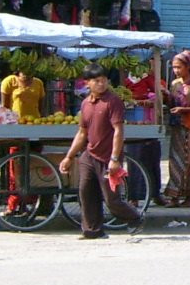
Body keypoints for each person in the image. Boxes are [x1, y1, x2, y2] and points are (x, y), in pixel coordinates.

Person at [58, 64, 144, 239]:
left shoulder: (113, 101)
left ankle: (135, 217)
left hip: (108, 157)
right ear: (87, 83)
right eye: (97, 81)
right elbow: (82, 133)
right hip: (89, 155)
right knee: (86, 193)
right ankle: (92, 230)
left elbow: (119, 131)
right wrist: (69, 156)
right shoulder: (85, 104)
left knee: (112, 200)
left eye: (104, 80)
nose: (101, 84)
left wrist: (114, 158)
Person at [161, 50, 190, 208]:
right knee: (175, 159)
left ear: (188, 67)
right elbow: (172, 104)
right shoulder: (174, 84)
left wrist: (184, 110)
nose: (176, 70)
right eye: (174, 67)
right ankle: (174, 196)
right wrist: (166, 97)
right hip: (177, 127)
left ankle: (189, 197)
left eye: (179, 67)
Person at [0, 69, 46, 215]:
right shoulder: (9, 82)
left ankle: (29, 204)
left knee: (33, 168)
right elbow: (4, 107)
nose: (26, 76)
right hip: (16, 130)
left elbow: (41, 105)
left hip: (34, 127)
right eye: (24, 73)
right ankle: (13, 205)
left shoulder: (38, 83)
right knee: (16, 170)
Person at [122, 69, 164, 207]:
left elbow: (160, 95)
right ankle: (133, 197)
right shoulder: (126, 82)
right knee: (134, 163)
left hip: (150, 123)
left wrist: (151, 100)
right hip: (133, 125)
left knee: (153, 163)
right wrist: (134, 102)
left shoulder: (151, 80)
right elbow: (122, 100)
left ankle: (155, 194)